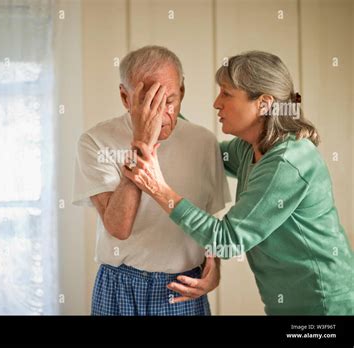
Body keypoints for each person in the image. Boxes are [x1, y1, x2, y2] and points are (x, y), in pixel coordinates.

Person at [123, 50, 354, 315]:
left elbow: (227, 239)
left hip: (324, 307)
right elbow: (206, 153)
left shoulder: (288, 163)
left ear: (263, 103)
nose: (216, 103)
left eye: (226, 94)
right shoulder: (250, 148)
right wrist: (163, 109)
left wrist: (158, 189)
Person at [72, 45, 231, 315]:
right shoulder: (95, 141)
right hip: (118, 285)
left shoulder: (204, 142)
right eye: (148, 102)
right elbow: (118, 227)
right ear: (125, 97)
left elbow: (207, 225)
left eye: (169, 100)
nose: (161, 114)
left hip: (181, 287)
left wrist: (214, 269)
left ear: (182, 92)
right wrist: (142, 142)